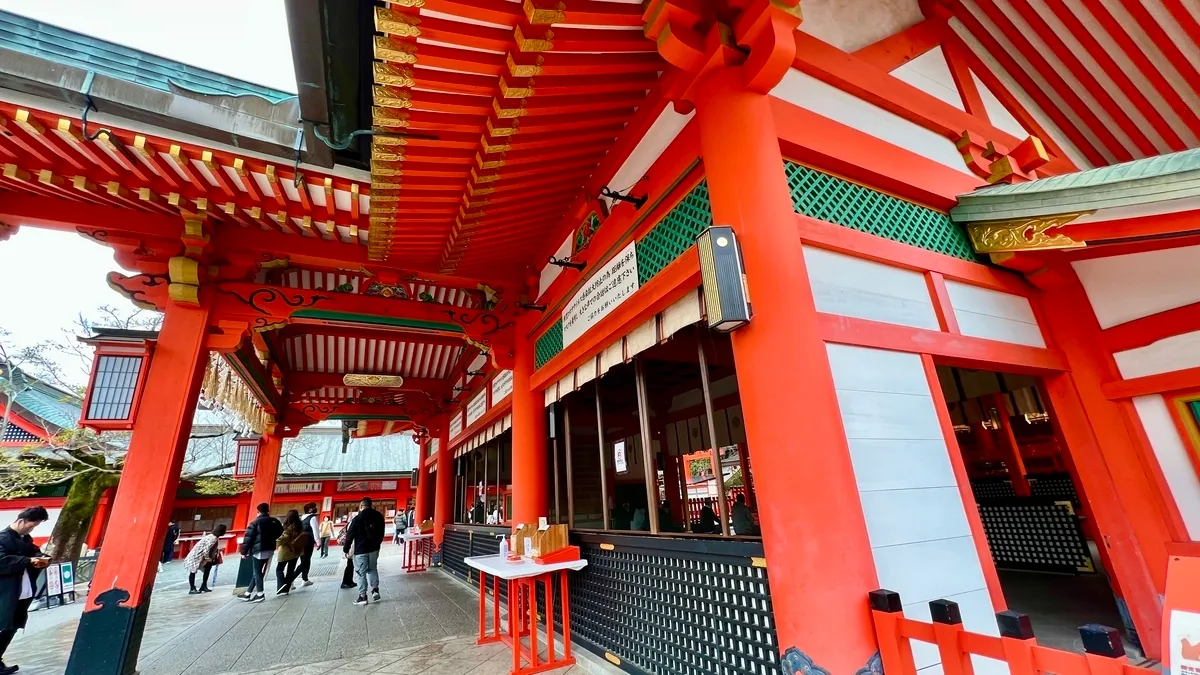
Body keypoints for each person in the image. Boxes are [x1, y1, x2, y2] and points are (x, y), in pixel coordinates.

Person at [0, 506, 50, 674]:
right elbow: (2, 561)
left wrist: (42, 558)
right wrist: (28, 561)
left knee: (13, 625)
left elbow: (35, 552)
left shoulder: (26, 539)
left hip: (22, 591)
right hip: (5, 592)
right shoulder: (2, 538)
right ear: (21, 521)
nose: (32, 529)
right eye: (31, 525)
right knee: (4, 624)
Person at [344, 497, 385, 605]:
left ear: (361, 506)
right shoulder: (379, 516)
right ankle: (375, 589)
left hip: (361, 550)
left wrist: (346, 549)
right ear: (371, 505)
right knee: (372, 569)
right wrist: (378, 544)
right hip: (374, 549)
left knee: (361, 573)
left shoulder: (358, 518)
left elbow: (350, 535)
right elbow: (381, 533)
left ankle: (363, 596)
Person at [238, 503, 282, 603]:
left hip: (258, 550)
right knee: (257, 572)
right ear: (268, 510)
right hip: (270, 549)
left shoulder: (255, 523)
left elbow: (248, 538)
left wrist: (244, 552)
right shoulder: (274, 521)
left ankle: (260, 594)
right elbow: (280, 531)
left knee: (257, 572)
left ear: (258, 512)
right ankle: (247, 594)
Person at [183, 524, 226, 594]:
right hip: (196, 556)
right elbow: (206, 549)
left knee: (207, 568)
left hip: (200, 556)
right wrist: (207, 558)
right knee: (193, 571)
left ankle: (203, 586)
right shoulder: (213, 538)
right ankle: (192, 588)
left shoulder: (213, 537)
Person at [274, 510, 307, 595]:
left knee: (279, 569)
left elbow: (284, 538)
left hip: (286, 550)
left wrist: (275, 542)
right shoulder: (300, 526)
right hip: (296, 551)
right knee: (290, 570)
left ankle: (281, 585)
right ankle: (286, 588)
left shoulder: (288, 527)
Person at [294, 503, 319, 587]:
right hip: (308, 541)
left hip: (302, 541)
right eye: (314, 507)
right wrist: (318, 542)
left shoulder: (302, 518)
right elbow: (315, 530)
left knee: (304, 560)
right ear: (310, 509)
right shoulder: (312, 517)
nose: (315, 509)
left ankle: (305, 579)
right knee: (306, 561)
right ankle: (290, 579)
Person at [338, 517, 356, 589]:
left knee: (350, 564)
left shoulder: (350, 523)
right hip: (351, 545)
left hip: (350, 545)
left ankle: (349, 581)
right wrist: (346, 549)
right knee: (350, 564)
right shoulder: (352, 524)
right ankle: (346, 582)